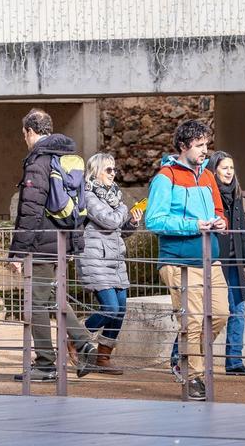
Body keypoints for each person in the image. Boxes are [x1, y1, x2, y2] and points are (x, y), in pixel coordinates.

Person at [7, 108, 97, 382]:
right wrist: (73, 244)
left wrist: (17, 252)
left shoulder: (39, 161)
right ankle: (83, 343)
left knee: (35, 303)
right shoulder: (67, 157)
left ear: (29, 131)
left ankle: (46, 364)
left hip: (40, 244)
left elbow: (30, 210)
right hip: (62, 241)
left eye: (24, 134)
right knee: (52, 298)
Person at [144, 119, 229, 402]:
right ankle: (194, 376)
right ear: (183, 146)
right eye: (199, 145)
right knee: (192, 321)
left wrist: (221, 222)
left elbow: (219, 210)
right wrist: (193, 226)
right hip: (178, 261)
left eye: (206, 144)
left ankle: (183, 358)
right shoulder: (164, 177)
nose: (205, 150)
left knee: (220, 314)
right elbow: (154, 220)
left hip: (210, 258)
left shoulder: (208, 176)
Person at [169, 150, 245, 379]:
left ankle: (234, 360)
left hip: (234, 261)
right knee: (199, 315)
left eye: (232, 168)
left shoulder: (236, 194)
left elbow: (242, 231)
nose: (229, 172)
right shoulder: (207, 193)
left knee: (238, 309)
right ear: (214, 170)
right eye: (224, 168)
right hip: (215, 259)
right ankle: (178, 356)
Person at [79, 152, 142, 375]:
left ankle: (103, 357)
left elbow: (119, 231)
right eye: (108, 169)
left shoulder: (112, 197)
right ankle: (75, 337)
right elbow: (110, 221)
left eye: (114, 169)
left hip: (115, 260)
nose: (113, 173)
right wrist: (125, 209)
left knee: (121, 310)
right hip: (95, 260)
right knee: (110, 308)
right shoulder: (88, 195)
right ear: (95, 171)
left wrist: (132, 222)